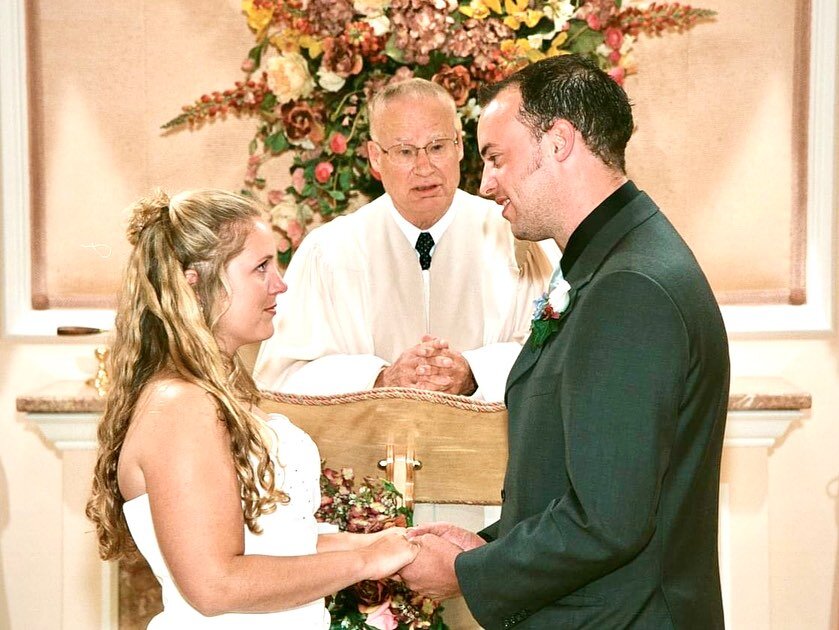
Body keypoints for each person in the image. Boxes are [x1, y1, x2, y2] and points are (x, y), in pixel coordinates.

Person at [400, 54, 730, 629]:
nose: (484, 183)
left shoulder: (629, 285)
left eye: (497, 158)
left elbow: (607, 522)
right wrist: (484, 547)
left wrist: (466, 573)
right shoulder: (611, 258)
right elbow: (582, 477)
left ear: (558, 141)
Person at [85, 189, 418, 628]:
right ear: (195, 281)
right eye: (260, 268)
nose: (279, 284)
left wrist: (377, 544)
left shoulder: (214, 391)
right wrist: (365, 563)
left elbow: (279, 546)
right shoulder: (181, 406)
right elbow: (214, 584)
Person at [253, 78, 556, 402]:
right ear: (374, 157)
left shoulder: (518, 238)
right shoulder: (329, 251)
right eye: (405, 151)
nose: (424, 168)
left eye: (437, 146)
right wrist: (380, 378)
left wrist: (474, 372)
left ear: (460, 146)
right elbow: (281, 380)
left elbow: (558, 353)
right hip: (368, 452)